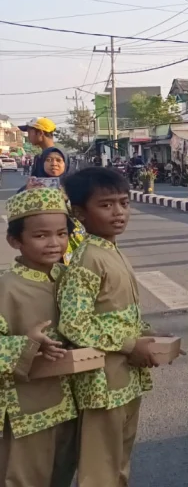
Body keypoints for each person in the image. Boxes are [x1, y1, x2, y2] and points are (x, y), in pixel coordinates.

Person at [57, 167, 178, 487]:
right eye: (106, 204)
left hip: (124, 377)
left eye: (124, 203)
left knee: (120, 458)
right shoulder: (87, 258)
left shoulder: (110, 249)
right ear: (80, 212)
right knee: (100, 467)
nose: (119, 212)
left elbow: (116, 312)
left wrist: (146, 334)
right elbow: (74, 323)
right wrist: (129, 345)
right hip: (101, 382)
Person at [0, 188, 80, 487]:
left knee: (62, 474)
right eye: (41, 235)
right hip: (27, 413)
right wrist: (27, 343)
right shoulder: (7, 288)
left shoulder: (71, 279)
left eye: (61, 233)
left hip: (72, 403)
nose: (54, 243)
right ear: (15, 240)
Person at [23, 148, 86, 263]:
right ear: (42, 163)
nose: (54, 164)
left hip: (73, 239)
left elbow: (86, 211)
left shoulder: (77, 185)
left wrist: (67, 200)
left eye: (58, 160)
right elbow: (17, 216)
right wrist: (27, 195)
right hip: (41, 241)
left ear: (65, 163)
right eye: (48, 160)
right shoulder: (30, 186)